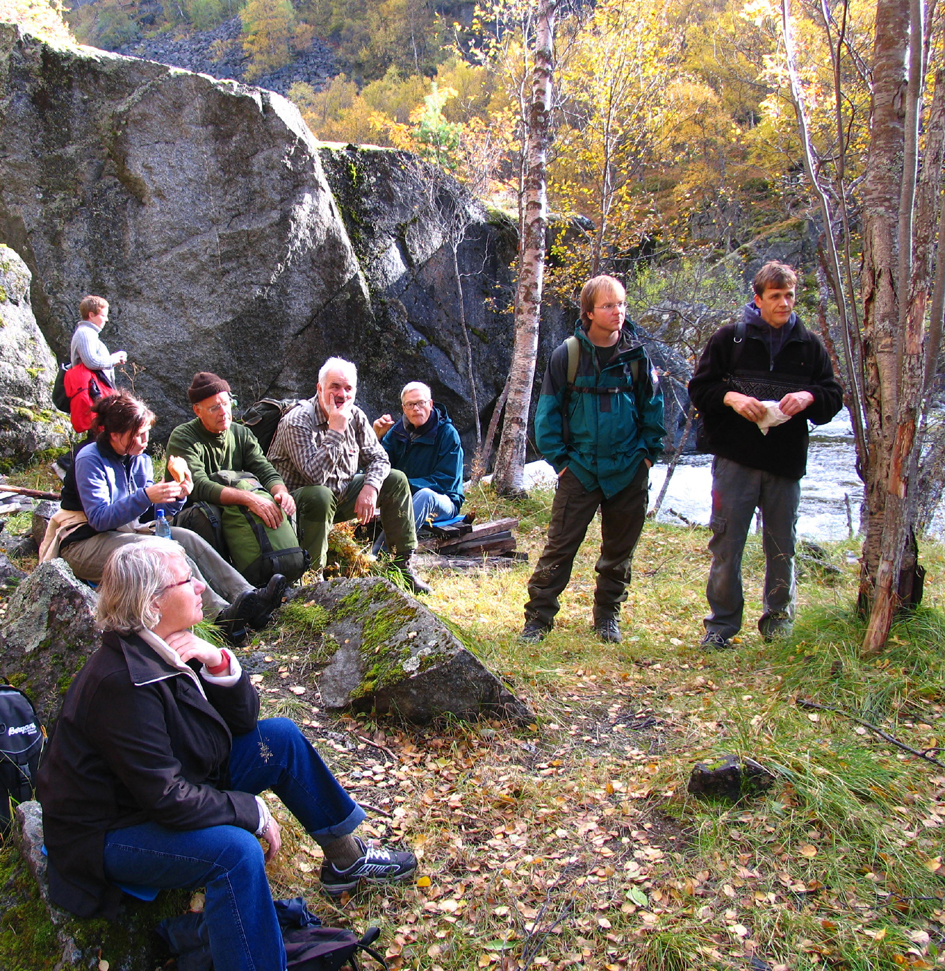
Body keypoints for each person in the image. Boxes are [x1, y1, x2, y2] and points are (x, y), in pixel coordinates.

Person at [36, 538, 417, 971]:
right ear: (153, 603)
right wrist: (249, 810)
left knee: (280, 740)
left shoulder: (168, 645)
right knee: (235, 852)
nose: (200, 586)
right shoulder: (121, 683)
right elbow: (165, 798)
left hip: (159, 796)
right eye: (187, 580)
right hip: (109, 830)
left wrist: (218, 663)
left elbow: (245, 723)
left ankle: (346, 860)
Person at [688, 261, 843, 649]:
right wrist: (732, 397)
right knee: (726, 544)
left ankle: (778, 624)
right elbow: (699, 389)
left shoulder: (809, 346)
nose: (785, 304)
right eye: (776, 297)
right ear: (758, 300)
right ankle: (721, 627)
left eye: (790, 296)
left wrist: (809, 396)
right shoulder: (730, 339)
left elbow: (833, 397)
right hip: (735, 461)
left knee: (782, 547)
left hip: (785, 464)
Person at [57, 391, 286, 645]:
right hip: (83, 542)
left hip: (123, 533)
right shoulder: (90, 458)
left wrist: (176, 497)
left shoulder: (140, 461)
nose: (146, 440)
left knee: (188, 538)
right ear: (115, 435)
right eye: (138, 434)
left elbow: (146, 515)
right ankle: (220, 615)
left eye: (147, 432)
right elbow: (99, 518)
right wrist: (147, 495)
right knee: (164, 548)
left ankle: (250, 598)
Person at [521, 275, 665, 644]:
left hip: (628, 470)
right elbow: (547, 415)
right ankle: (538, 620)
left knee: (619, 552)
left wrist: (646, 458)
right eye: (608, 305)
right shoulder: (567, 355)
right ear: (589, 312)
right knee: (560, 547)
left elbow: (654, 411)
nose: (618, 312)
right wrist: (562, 462)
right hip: (580, 470)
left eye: (622, 304)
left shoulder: (637, 357)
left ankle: (606, 618)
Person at [267, 357, 431, 594]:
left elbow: (379, 458)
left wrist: (371, 487)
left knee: (394, 479)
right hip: (297, 508)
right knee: (320, 495)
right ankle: (312, 579)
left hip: (338, 495)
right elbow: (315, 478)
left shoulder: (356, 415)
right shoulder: (297, 421)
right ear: (319, 388)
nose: (342, 394)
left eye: (348, 388)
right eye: (334, 386)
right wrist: (335, 430)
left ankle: (401, 566)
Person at [166, 372, 297, 534]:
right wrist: (249, 499)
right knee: (208, 515)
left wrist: (281, 493)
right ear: (198, 411)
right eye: (215, 407)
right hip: (192, 517)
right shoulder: (183, 437)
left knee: (303, 499)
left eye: (227, 403)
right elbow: (198, 486)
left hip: (234, 511)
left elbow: (264, 470)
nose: (224, 412)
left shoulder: (241, 433)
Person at [372, 381, 465, 539]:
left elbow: (445, 482)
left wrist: (401, 486)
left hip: (443, 501)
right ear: (404, 408)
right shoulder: (396, 432)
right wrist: (376, 438)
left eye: (421, 403)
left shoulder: (447, 434)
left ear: (430, 404)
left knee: (425, 496)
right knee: (363, 482)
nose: (416, 408)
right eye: (410, 404)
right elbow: (378, 466)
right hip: (401, 498)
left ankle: (382, 553)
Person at [71, 295, 127, 384]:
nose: (106, 319)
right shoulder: (85, 333)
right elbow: (91, 362)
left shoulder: (89, 333)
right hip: (90, 393)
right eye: (103, 315)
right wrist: (114, 359)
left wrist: (116, 357)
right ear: (91, 315)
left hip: (95, 391)